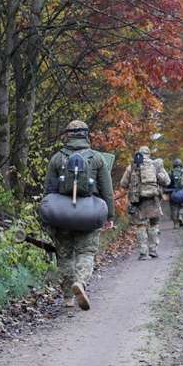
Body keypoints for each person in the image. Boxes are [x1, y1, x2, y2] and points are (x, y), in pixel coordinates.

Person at [43, 120, 115, 310]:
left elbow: (49, 191)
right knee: (86, 252)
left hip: (62, 216)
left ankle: (67, 297)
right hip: (89, 214)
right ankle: (80, 283)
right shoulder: (97, 158)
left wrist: (48, 216)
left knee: (65, 255)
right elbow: (107, 191)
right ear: (86, 135)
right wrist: (110, 216)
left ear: (67, 135)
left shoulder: (57, 159)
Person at [120, 145, 170, 259]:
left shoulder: (132, 166)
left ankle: (143, 253)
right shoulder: (156, 165)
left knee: (140, 225)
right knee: (154, 224)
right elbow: (167, 181)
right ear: (149, 154)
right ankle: (153, 250)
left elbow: (123, 183)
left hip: (137, 200)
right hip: (153, 199)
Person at [168, 158, 183, 227]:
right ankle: (181, 216)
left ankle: (175, 224)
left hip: (173, 193)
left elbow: (168, 183)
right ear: (181, 164)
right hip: (182, 192)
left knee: (174, 208)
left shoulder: (170, 172)